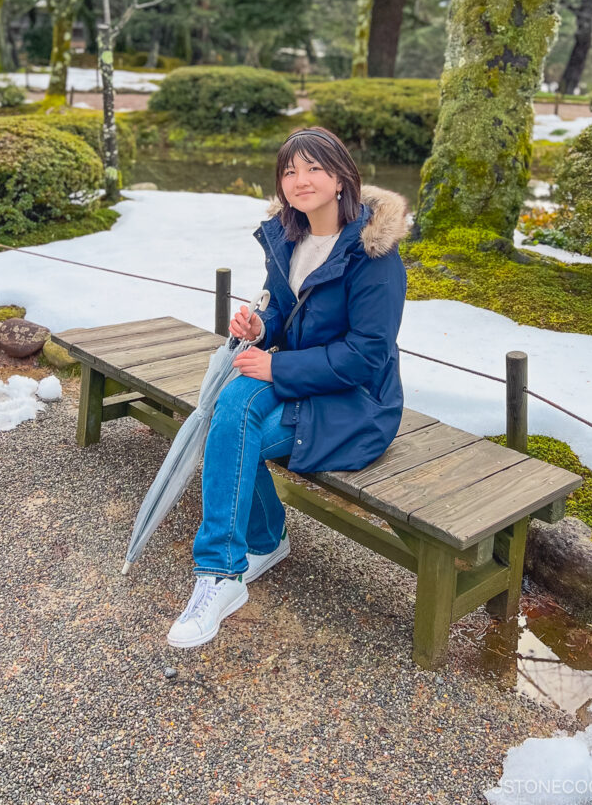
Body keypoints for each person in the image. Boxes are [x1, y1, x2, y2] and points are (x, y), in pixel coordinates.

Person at [167, 125, 410, 648]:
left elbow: (368, 356)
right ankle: (241, 558)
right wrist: (261, 329)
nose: (301, 180)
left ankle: (227, 568)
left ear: (342, 177)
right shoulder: (289, 236)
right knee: (232, 410)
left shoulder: (375, 257)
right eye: (290, 170)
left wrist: (277, 369)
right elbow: (284, 313)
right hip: (304, 380)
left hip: (354, 403)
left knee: (234, 418)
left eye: (314, 168)